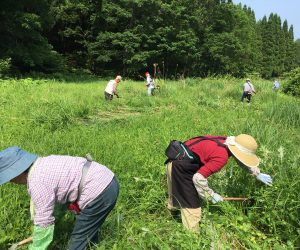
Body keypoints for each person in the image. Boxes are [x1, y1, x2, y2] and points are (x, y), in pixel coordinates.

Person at [0, 146, 119, 250]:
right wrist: (54, 222)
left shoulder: (37, 183)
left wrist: (37, 246)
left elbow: (44, 222)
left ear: (17, 172)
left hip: (99, 191)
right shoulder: (43, 163)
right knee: (87, 228)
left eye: (9, 177)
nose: (10, 181)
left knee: (77, 242)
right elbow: (59, 200)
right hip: (106, 178)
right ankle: (92, 245)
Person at [166, 134, 272, 233]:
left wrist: (255, 172)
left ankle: (171, 215)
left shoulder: (225, 141)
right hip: (181, 168)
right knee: (191, 205)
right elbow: (198, 178)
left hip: (175, 159)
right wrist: (211, 195)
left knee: (175, 194)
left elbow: (238, 157)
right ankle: (192, 238)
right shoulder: (221, 157)